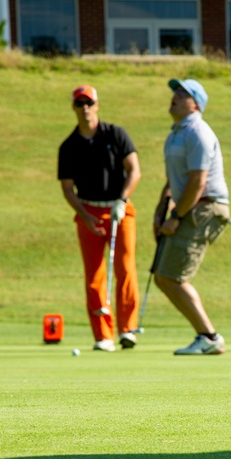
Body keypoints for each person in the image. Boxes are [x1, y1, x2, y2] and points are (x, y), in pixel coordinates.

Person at [152, 78, 231, 356]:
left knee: (171, 277)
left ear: (196, 104)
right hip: (190, 207)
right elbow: (174, 181)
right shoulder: (176, 133)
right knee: (164, 277)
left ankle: (209, 336)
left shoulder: (197, 132)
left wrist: (175, 217)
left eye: (182, 93)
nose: (174, 96)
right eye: (175, 91)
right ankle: (206, 335)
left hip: (204, 208)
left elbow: (198, 182)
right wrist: (160, 212)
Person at [58, 85, 142, 352]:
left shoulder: (116, 134)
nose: (85, 108)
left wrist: (122, 199)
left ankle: (127, 330)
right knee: (94, 275)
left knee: (125, 269)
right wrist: (83, 215)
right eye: (80, 103)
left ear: (97, 105)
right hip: (88, 212)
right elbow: (67, 187)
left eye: (89, 103)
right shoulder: (69, 146)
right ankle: (103, 335)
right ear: (73, 107)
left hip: (119, 209)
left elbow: (134, 170)